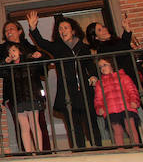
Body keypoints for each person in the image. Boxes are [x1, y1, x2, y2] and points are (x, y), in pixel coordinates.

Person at [27, 10, 101, 148]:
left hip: (84, 90)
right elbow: (42, 43)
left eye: (65, 28)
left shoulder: (83, 47)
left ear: (73, 31)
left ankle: (98, 147)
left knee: (91, 122)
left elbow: (89, 64)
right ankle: (79, 151)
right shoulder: (57, 47)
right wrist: (33, 28)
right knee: (74, 125)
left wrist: (93, 76)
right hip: (68, 91)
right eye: (60, 29)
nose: (62, 30)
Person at [86, 17, 143, 144]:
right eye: (99, 30)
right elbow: (120, 50)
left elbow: (131, 55)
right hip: (125, 85)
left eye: (103, 27)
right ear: (96, 37)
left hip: (140, 79)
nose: (104, 29)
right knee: (132, 119)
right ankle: (138, 147)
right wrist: (127, 33)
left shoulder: (118, 41)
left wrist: (134, 48)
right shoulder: (102, 50)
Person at [0, 43, 46, 153]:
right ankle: (29, 151)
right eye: (9, 52)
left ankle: (39, 150)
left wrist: (40, 55)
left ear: (20, 51)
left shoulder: (29, 61)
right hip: (18, 99)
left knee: (34, 124)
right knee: (24, 127)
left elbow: (42, 67)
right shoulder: (9, 68)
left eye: (14, 50)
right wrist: (5, 62)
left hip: (32, 96)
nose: (12, 53)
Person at [93, 57, 141, 145]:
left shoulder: (123, 77)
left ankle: (136, 147)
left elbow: (132, 91)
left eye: (105, 65)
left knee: (130, 128)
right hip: (111, 110)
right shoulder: (100, 83)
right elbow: (98, 98)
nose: (102, 68)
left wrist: (134, 101)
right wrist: (99, 107)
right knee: (117, 131)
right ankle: (120, 149)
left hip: (126, 107)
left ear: (112, 65)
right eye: (100, 67)